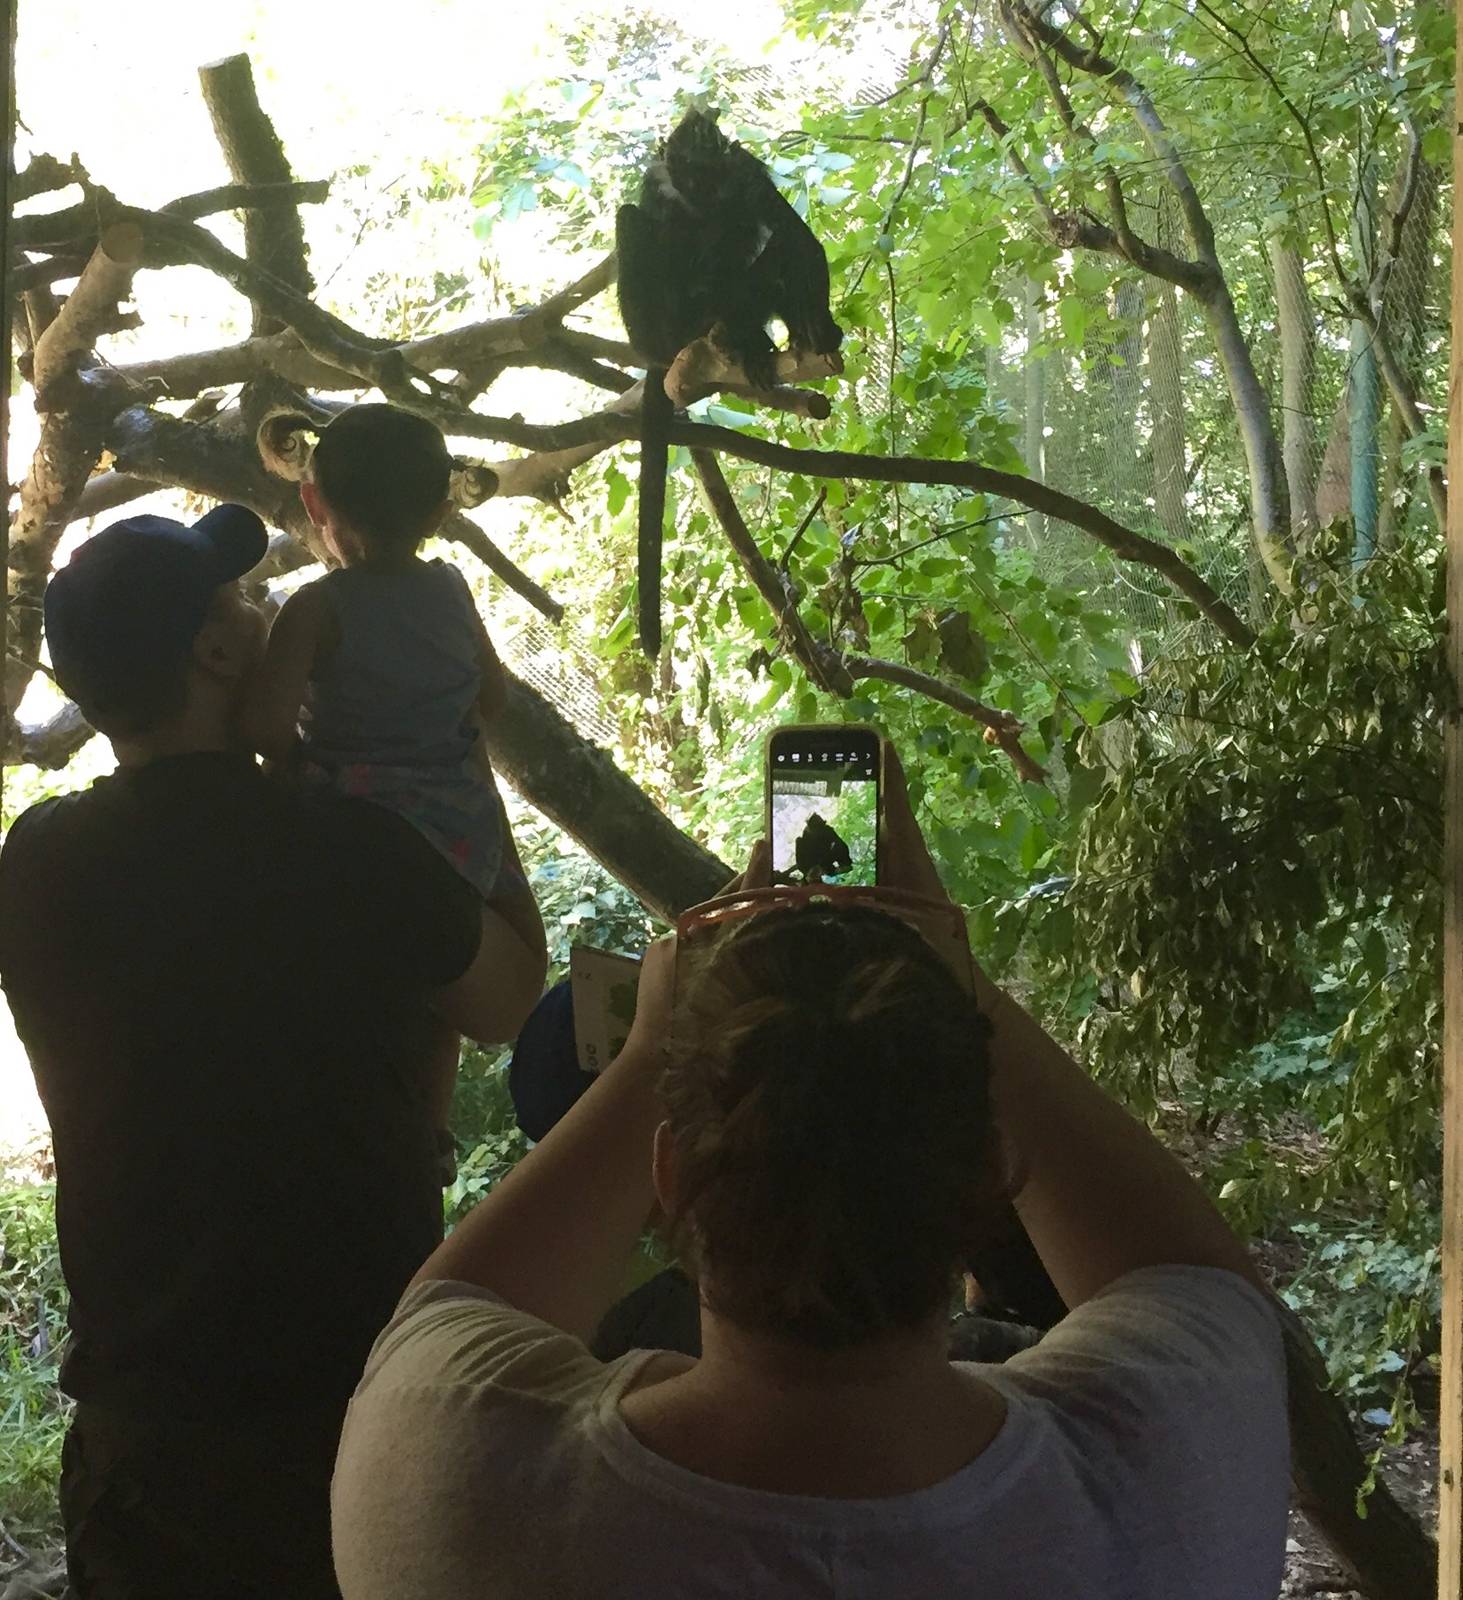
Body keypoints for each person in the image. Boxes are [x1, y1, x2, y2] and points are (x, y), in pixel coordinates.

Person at [331, 744, 1290, 1600]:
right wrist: (965, 986)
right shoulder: (1171, 1481)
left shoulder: (450, 1481)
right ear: (993, 1174)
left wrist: (650, 1051)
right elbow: (1188, 1276)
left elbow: (450, 1309)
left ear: (670, 1174)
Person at [0, 505, 543, 1600]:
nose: (265, 609)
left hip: (143, 1431)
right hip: (351, 1414)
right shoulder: (349, 847)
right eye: (244, 599)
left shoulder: (39, 861)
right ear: (214, 651)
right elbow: (506, 995)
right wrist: (456, 763)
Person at [239, 404, 546, 1153]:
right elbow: (493, 697)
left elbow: (264, 732)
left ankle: (403, 1131)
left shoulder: (315, 608)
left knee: (400, 984)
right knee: (443, 990)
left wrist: (304, 752)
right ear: (440, 510)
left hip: (361, 822)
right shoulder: (451, 589)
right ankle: (429, 1131)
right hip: (460, 825)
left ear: (314, 503)